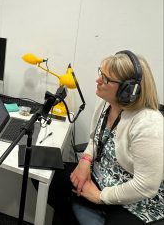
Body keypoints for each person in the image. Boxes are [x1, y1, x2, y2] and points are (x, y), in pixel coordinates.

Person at [47, 50, 163, 225]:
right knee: (50, 181)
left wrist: (100, 197)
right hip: (100, 176)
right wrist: (85, 160)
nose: (98, 80)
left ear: (128, 91)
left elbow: (146, 186)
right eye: (101, 73)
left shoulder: (148, 124)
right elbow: (96, 138)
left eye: (106, 79)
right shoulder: (105, 102)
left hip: (136, 200)